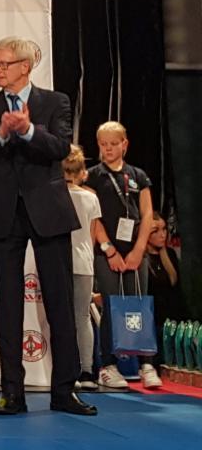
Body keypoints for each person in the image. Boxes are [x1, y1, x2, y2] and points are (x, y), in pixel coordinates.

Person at [0, 36, 95, 416]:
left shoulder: (55, 102)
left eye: (4, 63)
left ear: (25, 66)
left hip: (48, 212)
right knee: (8, 305)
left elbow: (60, 148)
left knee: (59, 302)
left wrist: (27, 130)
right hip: (4, 213)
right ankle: (12, 393)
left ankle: (64, 391)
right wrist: (2, 133)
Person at [86, 121, 160, 389]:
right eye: (103, 144)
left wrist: (139, 250)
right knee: (111, 304)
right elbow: (93, 216)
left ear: (124, 145)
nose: (108, 149)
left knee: (138, 303)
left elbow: (147, 214)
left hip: (135, 252)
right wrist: (109, 249)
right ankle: (109, 365)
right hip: (107, 252)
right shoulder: (93, 176)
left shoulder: (138, 176)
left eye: (113, 144)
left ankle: (146, 363)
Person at [62, 144, 101, 391]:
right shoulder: (91, 198)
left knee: (61, 318)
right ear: (81, 172)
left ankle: (65, 370)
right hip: (84, 262)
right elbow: (92, 236)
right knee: (82, 316)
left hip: (60, 262)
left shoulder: (53, 196)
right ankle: (86, 371)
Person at [145, 212, 185, 370]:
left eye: (164, 229)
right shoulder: (141, 260)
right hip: (150, 325)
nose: (162, 234)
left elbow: (177, 293)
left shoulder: (170, 255)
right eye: (156, 231)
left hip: (170, 324)